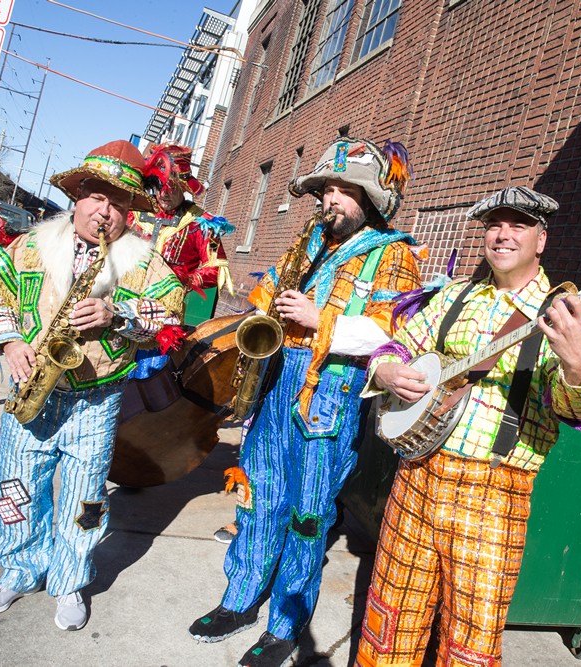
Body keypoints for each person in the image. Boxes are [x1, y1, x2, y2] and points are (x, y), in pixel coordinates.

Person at [354, 186, 581, 667]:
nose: (502, 235)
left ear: (540, 240)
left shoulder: (564, 318)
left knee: (471, 644)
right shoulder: (453, 296)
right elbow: (395, 346)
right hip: (416, 479)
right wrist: (388, 371)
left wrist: (580, 367)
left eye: (517, 225)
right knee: (390, 620)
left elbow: (577, 411)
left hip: (492, 495)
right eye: (494, 225)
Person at [189, 137, 423, 667]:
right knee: (259, 497)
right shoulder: (306, 243)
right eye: (325, 190)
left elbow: (396, 333)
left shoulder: (395, 254)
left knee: (307, 514)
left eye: (343, 191)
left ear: (369, 200)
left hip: (329, 397)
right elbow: (264, 301)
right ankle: (240, 598)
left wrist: (323, 321)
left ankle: (286, 624)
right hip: (275, 381)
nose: (330, 200)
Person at [0, 140, 185, 632]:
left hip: (98, 397)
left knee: (86, 499)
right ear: (77, 194)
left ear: (130, 211)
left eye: (118, 203)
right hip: (33, 388)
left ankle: (69, 580)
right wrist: (8, 344)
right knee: (17, 490)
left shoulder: (145, 263)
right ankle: (20, 570)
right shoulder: (30, 247)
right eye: (96, 197)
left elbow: (170, 318)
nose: (104, 211)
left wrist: (119, 315)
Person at [126, 142, 234, 380]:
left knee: (146, 389)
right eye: (159, 185)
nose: (165, 192)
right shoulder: (133, 212)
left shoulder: (201, 224)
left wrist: (184, 280)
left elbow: (216, 269)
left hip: (162, 322)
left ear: (184, 187)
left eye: (172, 187)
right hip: (120, 311)